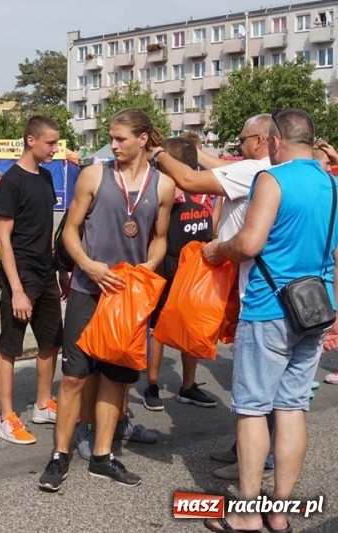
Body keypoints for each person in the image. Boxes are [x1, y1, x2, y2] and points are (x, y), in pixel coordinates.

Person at [200, 108, 335, 533]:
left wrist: (218, 249)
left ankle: (246, 513)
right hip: (316, 307)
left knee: (252, 409)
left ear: (275, 141)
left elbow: (250, 243)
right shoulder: (331, 182)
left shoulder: (271, 179)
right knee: (292, 407)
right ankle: (279, 511)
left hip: (270, 307)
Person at [38, 108, 174, 491]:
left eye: (120, 139)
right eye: (111, 138)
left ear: (143, 139)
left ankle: (102, 456)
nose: (113, 145)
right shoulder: (94, 175)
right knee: (74, 377)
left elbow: (160, 237)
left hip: (128, 297)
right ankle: (59, 455)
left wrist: (149, 265)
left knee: (115, 379)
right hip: (88, 289)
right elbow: (70, 230)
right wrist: (88, 265)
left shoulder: (163, 185)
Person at [148, 114, 274, 482]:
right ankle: (245, 449)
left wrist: (157, 153)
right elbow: (220, 168)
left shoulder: (257, 171)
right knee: (265, 388)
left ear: (260, 141)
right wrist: (195, 151)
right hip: (251, 286)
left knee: (256, 389)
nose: (239, 146)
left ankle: (259, 463)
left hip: (255, 290)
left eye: (243, 139)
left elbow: (190, 179)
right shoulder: (268, 170)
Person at [0, 116, 64, 445]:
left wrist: (58, 269)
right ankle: (6, 417)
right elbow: (3, 238)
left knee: (51, 341)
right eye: (50, 142)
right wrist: (17, 290)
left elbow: (47, 227)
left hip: (45, 271)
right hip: (20, 273)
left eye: (56, 142)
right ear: (30, 140)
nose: (54, 148)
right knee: (10, 346)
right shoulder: (11, 181)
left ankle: (42, 405)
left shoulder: (46, 177)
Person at [142, 137, 216, 411]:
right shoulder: (162, 189)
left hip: (195, 267)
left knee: (191, 324)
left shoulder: (205, 190)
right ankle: (152, 385)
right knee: (158, 326)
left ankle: (188, 386)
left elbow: (211, 224)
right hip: (167, 264)